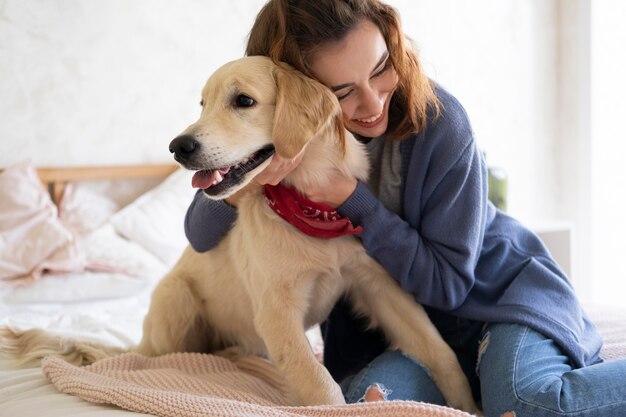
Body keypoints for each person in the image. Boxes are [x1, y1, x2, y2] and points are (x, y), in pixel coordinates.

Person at [184, 1, 626, 416]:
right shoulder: (267, 151)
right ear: (296, 93)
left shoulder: (442, 122)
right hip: (404, 334)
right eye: (342, 91)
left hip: (497, 300)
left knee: (528, 402)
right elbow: (200, 234)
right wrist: (253, 176)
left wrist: (352, 201)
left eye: (380, 68)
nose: (374, 103)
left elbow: (450, 286)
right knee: (370, 404)